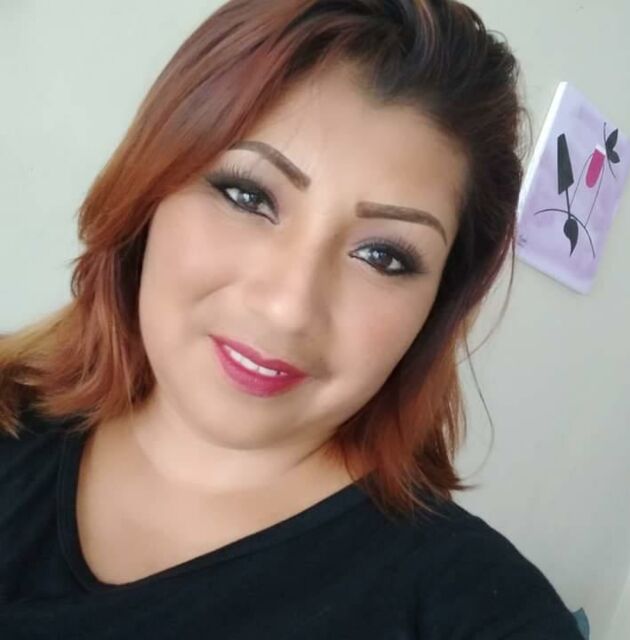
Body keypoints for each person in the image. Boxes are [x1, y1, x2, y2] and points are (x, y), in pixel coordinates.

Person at [0, 0, 584, 638]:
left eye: (383, 256)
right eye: (248, 196)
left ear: (437, 308)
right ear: (150, 190)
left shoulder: (477, 609)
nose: (288, 307)